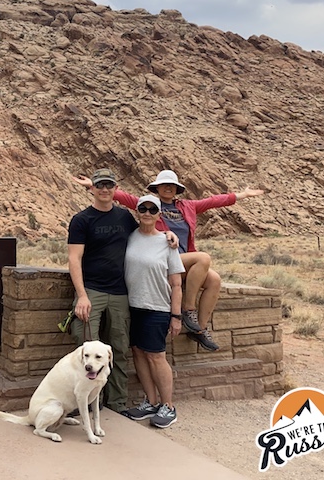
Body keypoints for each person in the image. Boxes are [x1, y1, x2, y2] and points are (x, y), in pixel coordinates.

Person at [74, 169, 264, 351]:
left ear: (177, 189)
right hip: (164, 259)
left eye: (172, 185)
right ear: (156, 188)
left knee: (214, 280)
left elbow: (214, 201)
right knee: (204, 258)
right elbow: (119, 195)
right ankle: (188, 309)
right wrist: (92, 184)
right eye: (164, 185)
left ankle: (199, 329)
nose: (168, 188)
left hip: (183, 259)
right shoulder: (149, 205)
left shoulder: (188, 206)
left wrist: (242, 195)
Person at [67, 168, 178, 414]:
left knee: (118, 348)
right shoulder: (82, 220)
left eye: (109, 185)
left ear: (115, 189)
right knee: (85, 347)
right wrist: (82, 295)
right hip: (92, 291)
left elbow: (147, 228)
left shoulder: (125, 218)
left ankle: (116, 402)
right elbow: (74, 259)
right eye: (100, 185)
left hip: (120, 293)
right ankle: (83, 402)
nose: (105, 189)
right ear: (92, 189)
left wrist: (168, 233)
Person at [120, 194, 185, 428]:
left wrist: (176, 316)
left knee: (156, 356)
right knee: (138, 353)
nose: (147, 213)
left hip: (157, 307)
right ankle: (151, 402)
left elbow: (176, 283)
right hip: (132, 305)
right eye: (143, 208)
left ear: (159, 214)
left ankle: (168, 406)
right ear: (137, 211)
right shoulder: (129, 238)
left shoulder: (167, 243)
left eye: (152, 209)